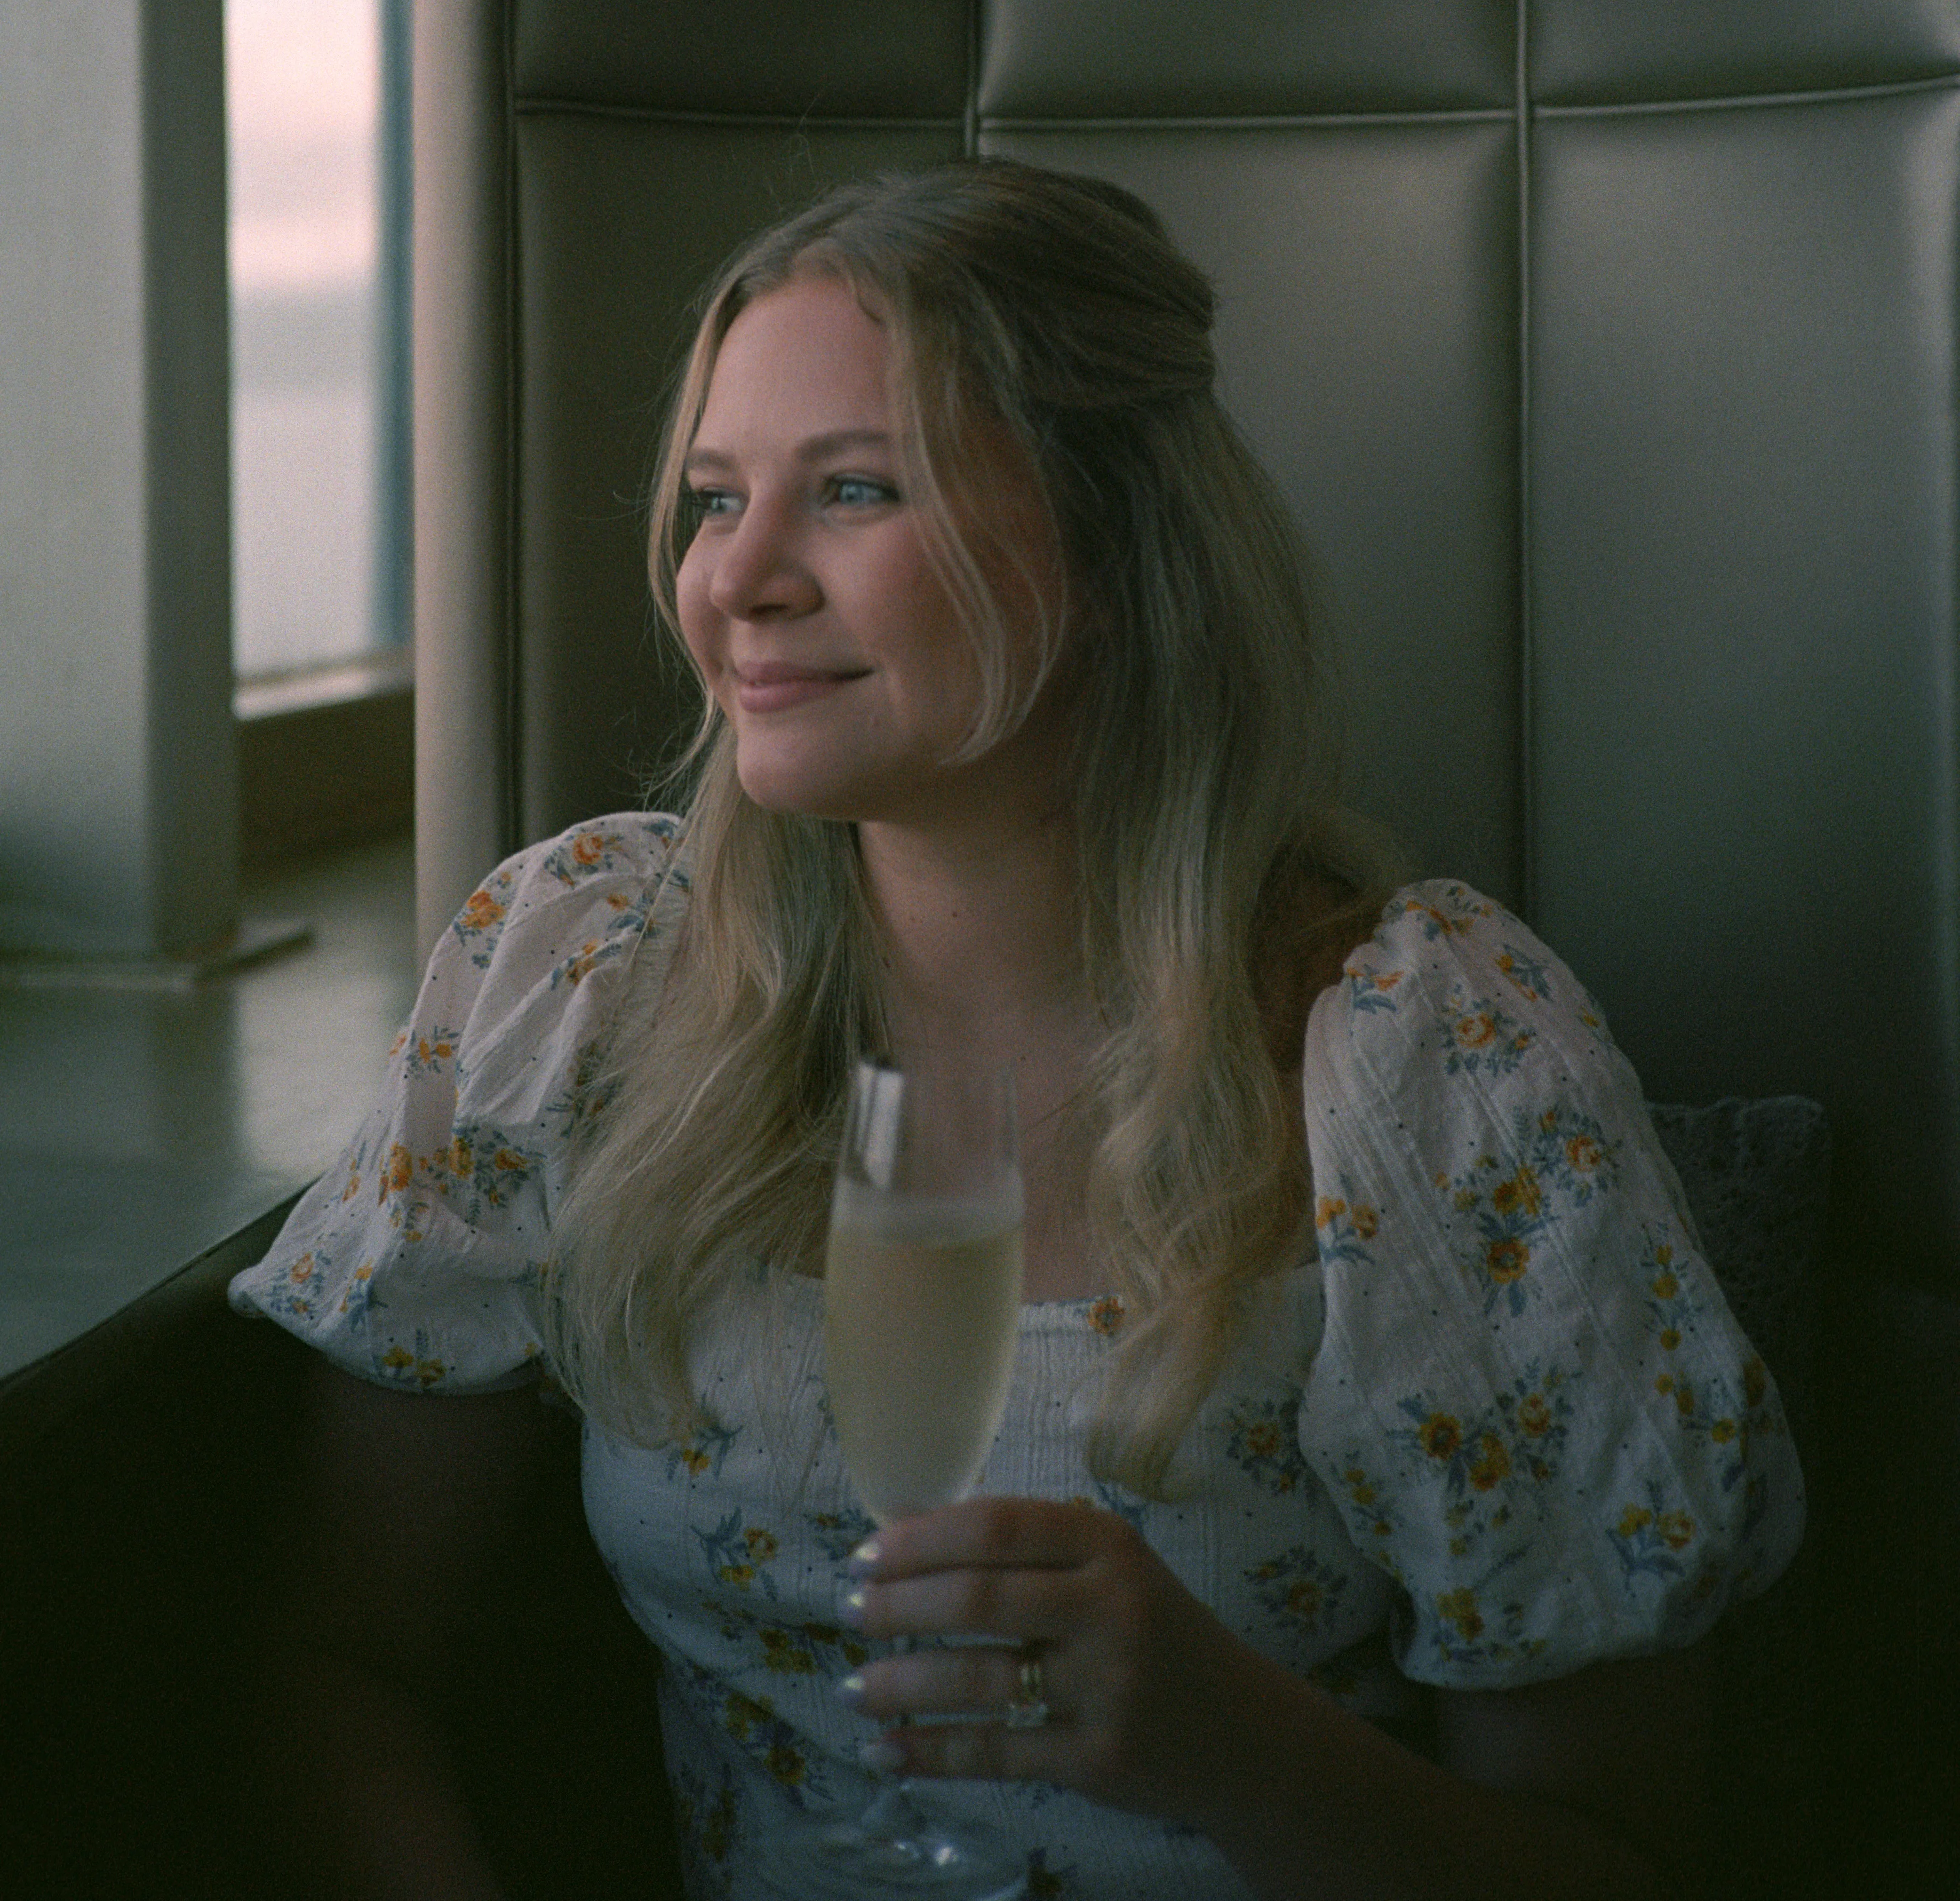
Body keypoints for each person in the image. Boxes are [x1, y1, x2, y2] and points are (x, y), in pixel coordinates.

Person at [232, 160, 1803, 1900]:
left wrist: (1236, 1745)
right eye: (710, 498)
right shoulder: (577, 975)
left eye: (851, 489)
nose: (736, 577)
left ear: (1116, 552)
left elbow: (1633, 1858)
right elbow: (338, 1667)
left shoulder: (1435, 1059)